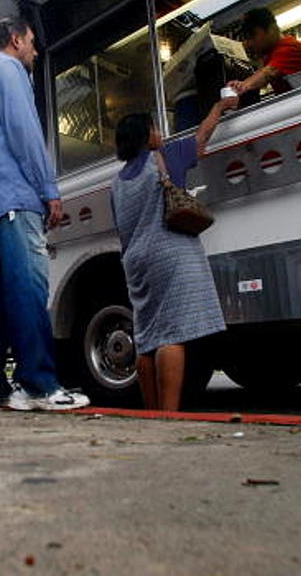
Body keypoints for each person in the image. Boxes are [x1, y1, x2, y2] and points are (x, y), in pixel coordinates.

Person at [0, 17, 90, 413]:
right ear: (14, 40)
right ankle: (39, 385)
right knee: (29, 289)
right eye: (31, 42)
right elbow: (25, 133)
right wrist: (49, 189)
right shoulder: (8, 69)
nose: (35, 51)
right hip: (14, 197)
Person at [109, 99, 234, 411]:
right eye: (154, 127)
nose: (159, 132)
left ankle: (152, 412)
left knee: (147, 336)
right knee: (171, 335)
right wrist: (218, 108)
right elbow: (202, 140)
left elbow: (122, 230)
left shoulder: (116, 183)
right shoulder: (162, 157)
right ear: (146, 135)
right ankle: (169, 413)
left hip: (135, 262)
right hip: (170, 252)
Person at [228, 7, 301, 96]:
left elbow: (268, 73)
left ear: (271, 29)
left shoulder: (290, 48)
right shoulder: (271, 54)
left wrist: (239, 88)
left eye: (252, 36)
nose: (248, 43)